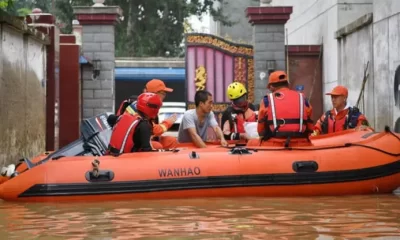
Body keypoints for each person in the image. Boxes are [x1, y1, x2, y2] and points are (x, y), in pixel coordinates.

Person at [247, 70, 314, 147]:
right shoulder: (302, 98)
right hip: (301, 143)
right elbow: (310, 128)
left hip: (275, 144)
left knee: (251, 143)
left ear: (271, 86)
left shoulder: (267, 100)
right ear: (288, 84)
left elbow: (261, 131)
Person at [124, 79, 179, 149]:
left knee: (171, 141)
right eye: (163, 94)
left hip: (146, 137)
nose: (164, 97)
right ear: (155, 94)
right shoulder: (142, 106)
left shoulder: (148, 104)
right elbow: (153, 130)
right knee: (157, 146)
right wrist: (169, 122)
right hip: (135, 141)